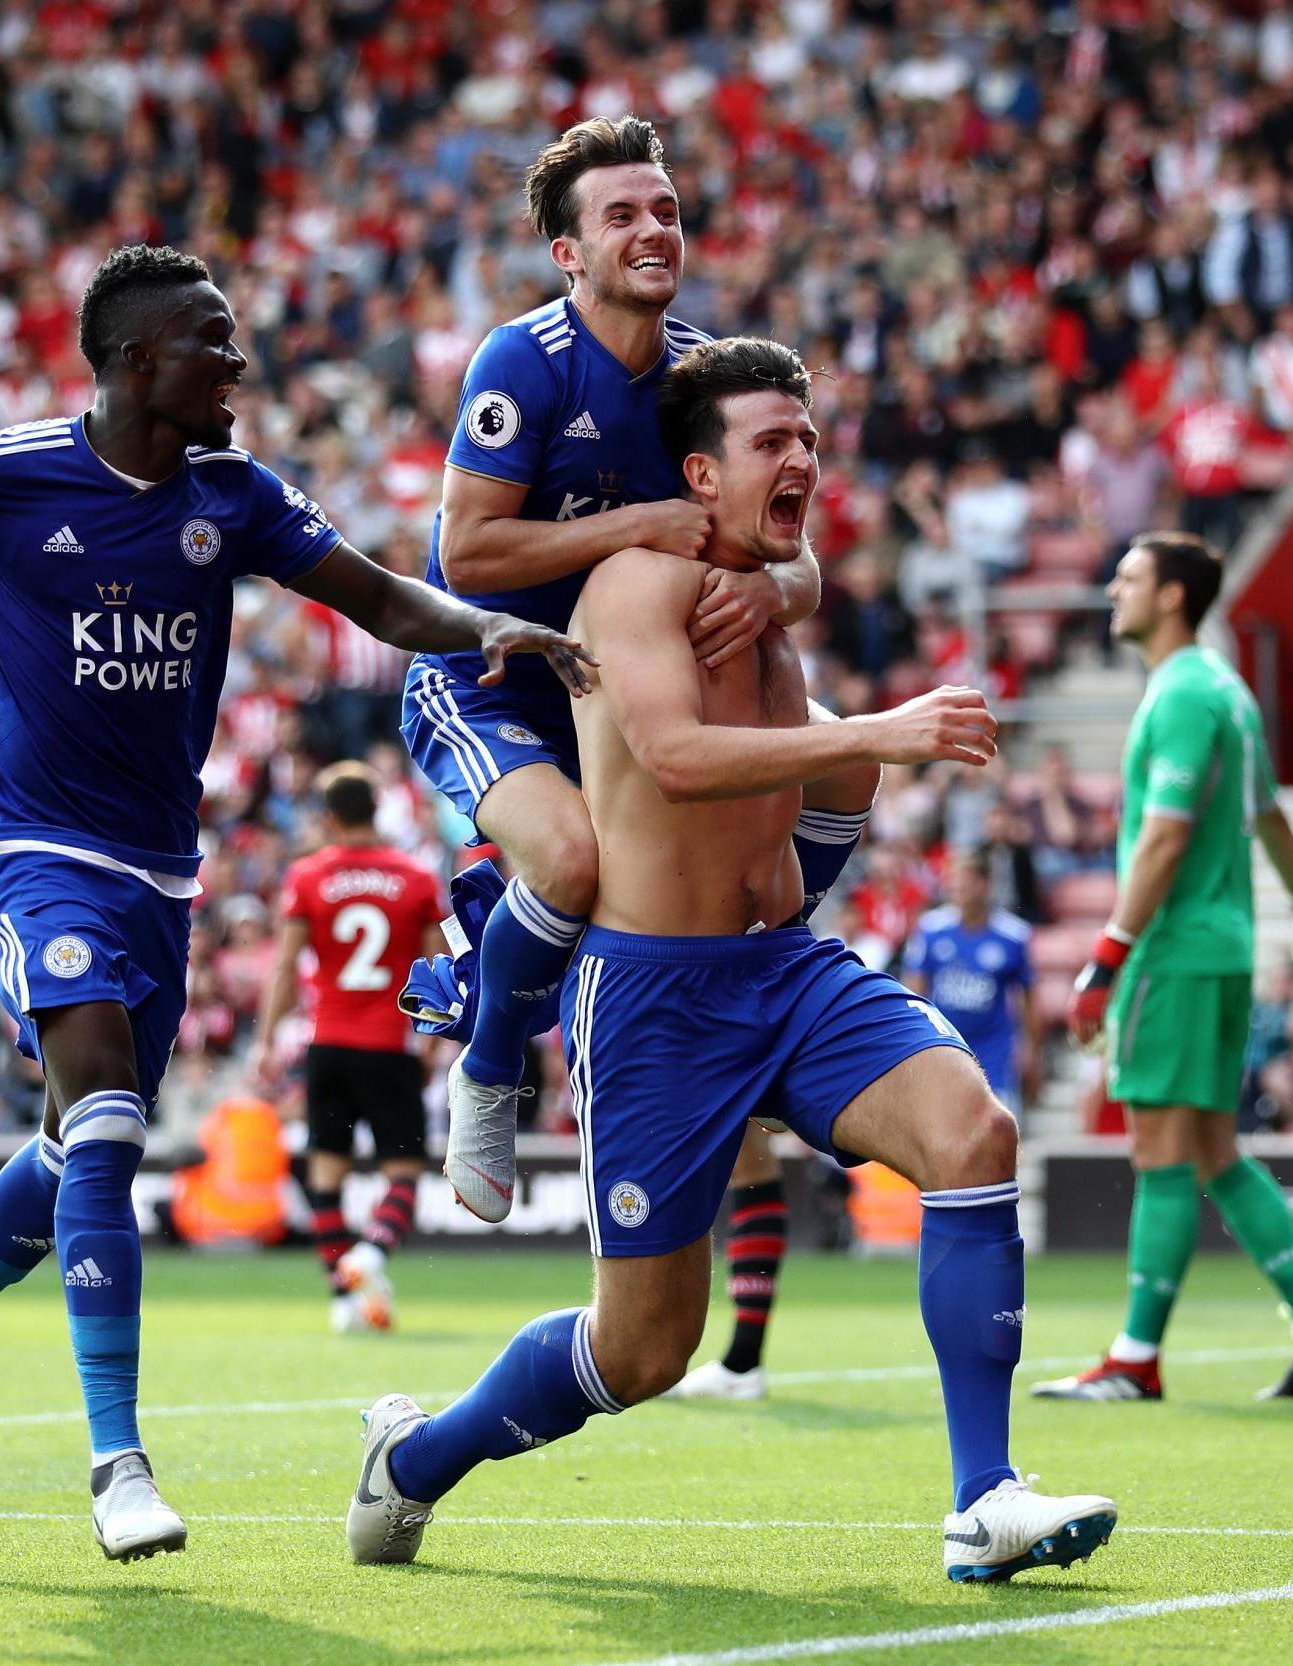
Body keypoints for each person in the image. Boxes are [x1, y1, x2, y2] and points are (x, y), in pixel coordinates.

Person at [0, 244, 590, 1563]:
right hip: (30, 845)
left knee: (72, 1142)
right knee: (111, 1118)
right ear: (139, 361)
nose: (239, 367)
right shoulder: (1, 471)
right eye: (217, 345)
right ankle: (118, 1463)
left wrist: (493, 630)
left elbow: (374, 596)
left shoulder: (232, 495)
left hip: (161, 867)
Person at [348, 337, 1117, 1583]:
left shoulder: (765, 592)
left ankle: (986, 1497)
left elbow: (825, 776)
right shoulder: (633, 586)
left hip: (785, 972)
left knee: (973, 1134)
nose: (803, 457)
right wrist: (880, 730)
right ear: (699, 473)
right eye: (774, 442)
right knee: (642, 1352)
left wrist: (831, 798)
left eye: (809, 439)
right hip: (654, 1000)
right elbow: (674, 756)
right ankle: (418, 1457)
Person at [401, 118, 873, 1232]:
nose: (653, 228)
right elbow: (466, 553)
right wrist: (645, 521)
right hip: (491, 681)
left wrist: (773, 590)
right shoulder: (525, 362)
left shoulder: (702, 377)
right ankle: (491, 1062)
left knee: (849, 764)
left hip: (621, 689)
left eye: (662, 208)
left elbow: (796, 558)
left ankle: (767, 952)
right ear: (568, 254)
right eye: (622, 214)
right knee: (569, 860)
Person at [1035, 532, 1293, 1403]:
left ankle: (1136, 1358)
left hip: (1172, 953)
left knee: (1160, 1152)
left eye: (1130, 577)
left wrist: (1104, 957)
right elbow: (1272, 817)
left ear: (1172, 596)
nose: (1112, 588)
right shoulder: (1229, 691)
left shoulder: (1178, 694)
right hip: (1226, 949)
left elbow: (1166, 834)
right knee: (1217, 1152)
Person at [250, 762, 445, 1334]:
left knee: (325, 1174)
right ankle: (375, 1251)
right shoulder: (414, 877)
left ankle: (342, 1297)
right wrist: (431, 1042)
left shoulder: (308, 877)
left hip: (329, 1042)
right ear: (375, 810)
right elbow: (434, 967)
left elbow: (286, 965)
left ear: (330, 816)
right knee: (404, 1172)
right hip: (390, 1045)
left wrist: (265, 1041)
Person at [903, 852, 1043, 1117]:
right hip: (943, 1045)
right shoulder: (931, 930)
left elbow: (1030, 997)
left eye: (966, 882)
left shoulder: (1013, 936)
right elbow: (914, 992)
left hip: (994, 1050)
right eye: (955, 883)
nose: (959, 890)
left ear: (985, 884)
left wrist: (1032, 1050)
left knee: (997, 1123)